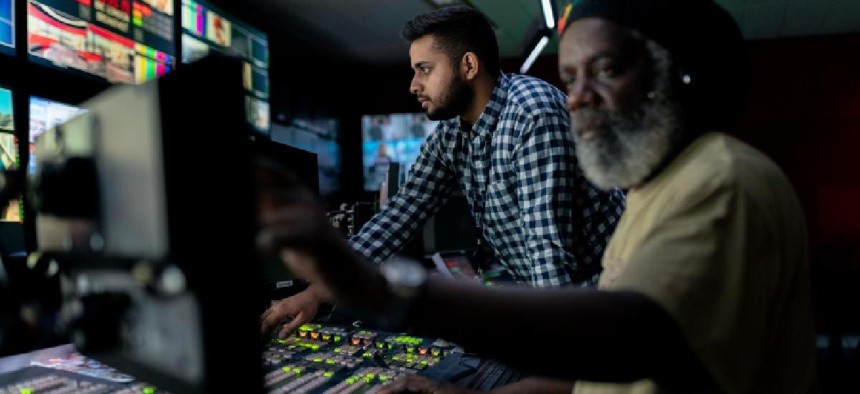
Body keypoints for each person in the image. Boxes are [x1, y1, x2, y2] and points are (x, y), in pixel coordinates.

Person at [256, 0, 820, 393]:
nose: (574, 100)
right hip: (572, 332)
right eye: (571, 78)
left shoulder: (718, 180)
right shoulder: (655, 189)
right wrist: (317, 290)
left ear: (679, 77)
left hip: (572, 312)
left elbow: (605, 320)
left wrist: (391, 290)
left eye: (605, 71)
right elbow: (403, 211)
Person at [261, 5, 624, 341]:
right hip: (560, 305)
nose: (413, 85)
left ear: (468, 66)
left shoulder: (532, 115)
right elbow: (400, 214)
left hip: (607, 305)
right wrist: (316, 292)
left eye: (425, 69)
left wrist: (552, 362)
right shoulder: (453, 134)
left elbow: (548, 255)